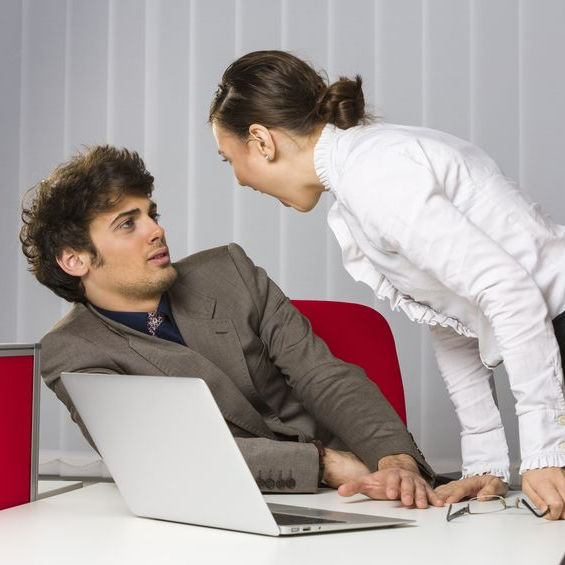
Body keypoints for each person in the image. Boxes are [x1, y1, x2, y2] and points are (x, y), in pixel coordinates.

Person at [209, 50, 565, 520]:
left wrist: (545, 451)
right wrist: (486, 460)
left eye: (227, 158)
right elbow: (453, 319)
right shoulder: (358, 184)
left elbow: (508, 291)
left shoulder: (374, 175)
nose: (237, 179)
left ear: (260, 140)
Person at [20, 145, 443, 509]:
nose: (156, 229)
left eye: (152, 213)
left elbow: (323, 374)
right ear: (75, 259)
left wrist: (394, 459)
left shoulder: (229, 271)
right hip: (229, 507)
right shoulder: (71, 351)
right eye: (128, 223)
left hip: (359, 489)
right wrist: (324, 464)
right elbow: (161, 455)